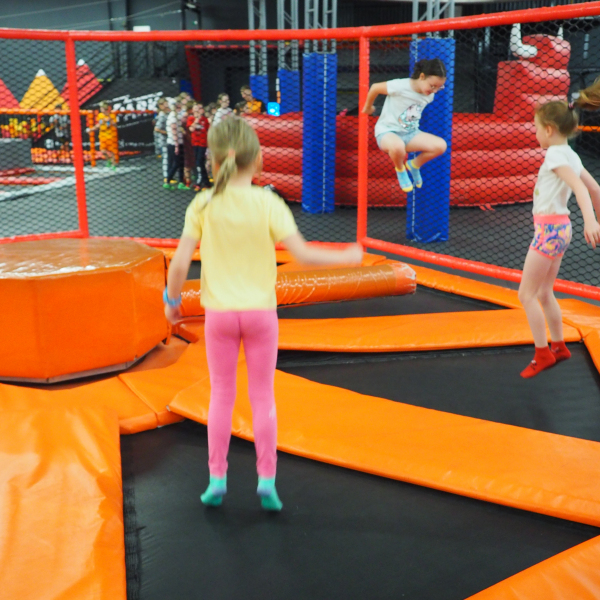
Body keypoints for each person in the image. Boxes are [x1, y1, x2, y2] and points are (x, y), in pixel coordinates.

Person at [163, 117, 363, 511]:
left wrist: (172, 303)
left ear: (213, 162)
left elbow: (180, 262)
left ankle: (217, 478)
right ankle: (267, 480)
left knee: (221, 395)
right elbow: (303, 255)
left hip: (220, 317)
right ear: (257, 161)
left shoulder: (203, 203)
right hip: (260, 315)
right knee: (262, 397)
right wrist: (348, 257)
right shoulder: (269, 203)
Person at [518, 80, 600, 378]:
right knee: (544, 291)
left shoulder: (554, 154)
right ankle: (559, 345)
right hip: (561, 231)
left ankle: (543, 354)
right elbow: (596, 189)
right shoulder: (572, 155)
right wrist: (597, 218)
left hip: (549, 232)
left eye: (537, 129)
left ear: (550, 129)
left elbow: (580, 188)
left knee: (526, 295)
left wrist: (591, 220)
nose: (536, 134)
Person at [362, 58, 447, 193]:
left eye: (439, 88)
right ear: (422, 76)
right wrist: (368, 107)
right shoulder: (400, 86)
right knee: (398, 146)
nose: (435, 91)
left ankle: (414, 165)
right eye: (432, 86)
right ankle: (400, 169)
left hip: (410, 133)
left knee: (441, 146)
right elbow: (375, 87)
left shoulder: (429, 96)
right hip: (387, 132)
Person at [165, 98, 188, 190]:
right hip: (174, 144)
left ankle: (181, 182)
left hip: (176, 143)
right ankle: (167, 181)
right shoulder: (173, 117)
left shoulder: (175, 116)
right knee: (177, 163)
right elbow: (174, 132)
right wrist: (177, 146)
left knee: (181, 163)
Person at [88, 101, 119, 169]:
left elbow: (115, 125)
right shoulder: (100, 115)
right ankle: (109, 160)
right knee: (103, 151)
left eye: (101, 108)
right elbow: (99, 124)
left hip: (110, 135)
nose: (100, 109)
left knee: (112, 151)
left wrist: (110, 120)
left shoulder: (112, 115)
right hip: (102, 135)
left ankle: (113, 165)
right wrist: (91, 129)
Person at [187, 102, 210, 191]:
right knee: (199, 163)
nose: (197, 111)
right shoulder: (191, 118)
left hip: (203, 144)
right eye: (196, 109)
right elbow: (191, 129)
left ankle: (199, 182)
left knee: (199, 162)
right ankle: (206, 182)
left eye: (199, 109)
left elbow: (208, 130)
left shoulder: (205, 119)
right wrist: (196, 120)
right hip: (195, 143)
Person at [154, 98, 170, 184]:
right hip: (164, 140)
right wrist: (167, 132)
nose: (167, 105)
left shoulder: (167, 113)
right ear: (160, 106)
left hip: (168, 140)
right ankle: (166, 177)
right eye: (165, 104)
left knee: (170, 158)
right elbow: (156, 129)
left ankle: (169, 175)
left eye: (167, 103)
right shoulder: (162, 116)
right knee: (166, 158)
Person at [182, 99, 196, 188]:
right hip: (187, 142)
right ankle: (187, 180)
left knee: (192, 160)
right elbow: (183, 128)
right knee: (187, 162)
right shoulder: (185, 117)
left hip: (193, 140)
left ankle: (190, 178)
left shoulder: (194, 116)